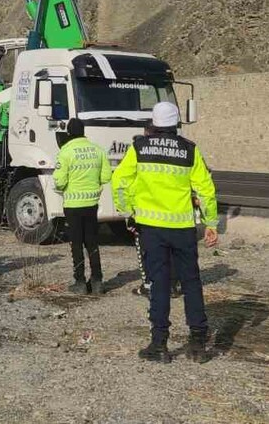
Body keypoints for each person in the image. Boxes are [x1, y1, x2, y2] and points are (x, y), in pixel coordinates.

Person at [113, 102, 218, 363]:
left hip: (152, 228)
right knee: (192, 283)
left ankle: (159, 345)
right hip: (182, 228)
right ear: (176, 123)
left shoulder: (139, 147)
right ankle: (198, 344)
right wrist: (211, 223)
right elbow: (205, 190)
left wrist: (128, 211)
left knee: (159, 284)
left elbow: (120, 181)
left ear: (154, 122)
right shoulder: (190, 150)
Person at [53, 118, 112, 295]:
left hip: (72, 205)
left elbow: (59, 181)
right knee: (92, 242)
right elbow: (106, 176)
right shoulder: (97, 150)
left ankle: (79, 282)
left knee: (76, 244)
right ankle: (97, 281)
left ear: (69, 133)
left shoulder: (66, 151)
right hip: (91, 204)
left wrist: (61, 187)